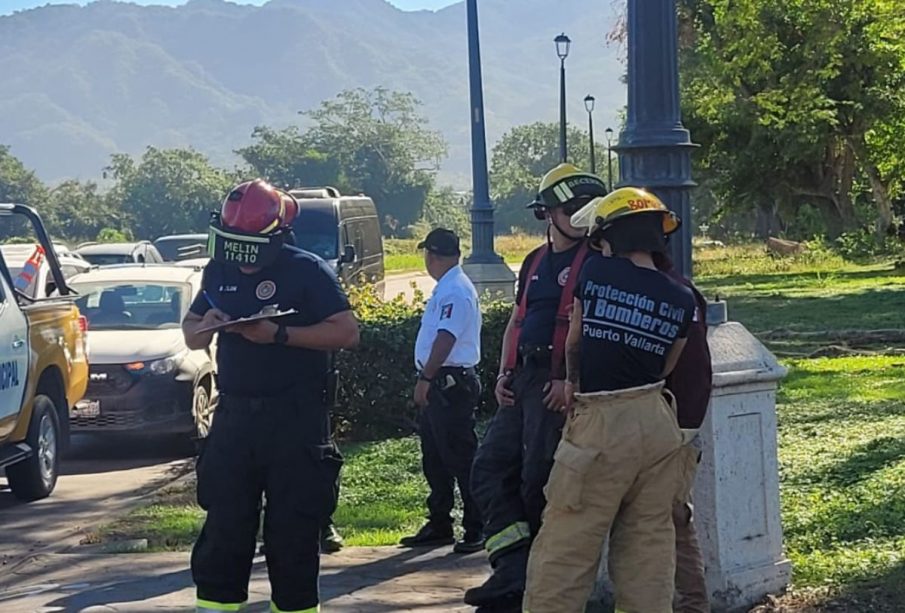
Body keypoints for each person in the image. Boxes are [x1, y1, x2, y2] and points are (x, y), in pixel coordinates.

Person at [183, 179, 359, 613]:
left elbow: (347, 332)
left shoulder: (308, 270)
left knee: (293, 533)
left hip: (294, 420)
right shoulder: (218, 268)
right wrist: (212, 322)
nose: (242, 259)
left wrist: (278, 334)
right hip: (234, 418)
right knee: (224, 529)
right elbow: (189, 333)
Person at [523, 187, 700, 613]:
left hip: (601, 423)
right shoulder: (682, 297)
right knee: (649, 549)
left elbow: (574, 342)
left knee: (566, 547)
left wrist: (576, 389)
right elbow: (665, 366)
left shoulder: (596, 274)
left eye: (598, 236)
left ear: (611, 237)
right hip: (657, 424)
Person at [465, 164, 609, 611]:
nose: (582, 217)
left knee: (537, 480)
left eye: (588, 208)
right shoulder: (534, 261)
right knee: (488, 468)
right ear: (548, 214)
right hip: (524, 379)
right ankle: (512, 565)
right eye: (572, 209)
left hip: (558, 382)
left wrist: (570, 380)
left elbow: (592, 330)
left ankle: (541, 582)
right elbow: (517, 320)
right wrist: (503, 372)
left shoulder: (600, 261)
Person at [399, 228, 484, 554]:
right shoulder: (449, 287)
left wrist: (426, 378)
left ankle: (475, 526)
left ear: (432, 255)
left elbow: (446, 338)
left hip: (449, 382)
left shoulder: (454, 291)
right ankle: (440, 522)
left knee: (460, 457)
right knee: (435, 457)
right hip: (442, 381)